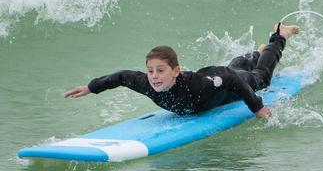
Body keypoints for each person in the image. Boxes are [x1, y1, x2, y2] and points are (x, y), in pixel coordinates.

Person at [64, 23, 300, 118]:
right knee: (233, 68)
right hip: (216, 77)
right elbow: (121, 77)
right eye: (150, 71)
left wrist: (257, 107)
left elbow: (230, 79)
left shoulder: (195, 85)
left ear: (175, 71)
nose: (154, 76)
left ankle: (279, 35)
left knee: (260, 78)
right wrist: (90, 87)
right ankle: (256, 53)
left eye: (160, 71)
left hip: (227, 84)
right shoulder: (148, 83)